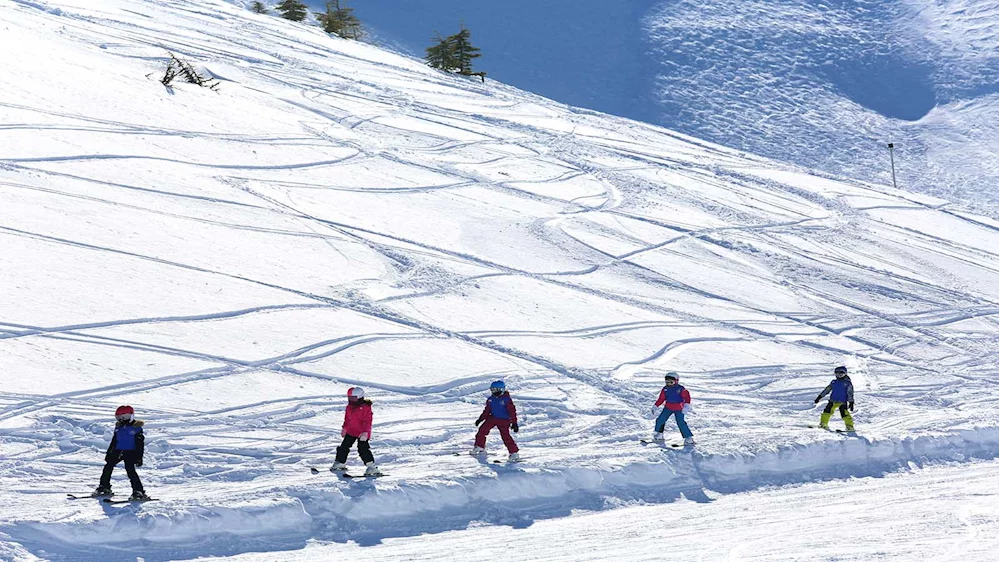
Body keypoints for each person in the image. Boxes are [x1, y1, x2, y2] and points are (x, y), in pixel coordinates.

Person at [95, 405, 149, 500]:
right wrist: (109, 453)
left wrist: (139, 458)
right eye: (119, 417)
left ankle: (138, 491)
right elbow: (114, 441)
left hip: (131, 452)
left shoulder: (136, 428)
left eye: (124, 417)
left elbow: (140, 445)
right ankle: (104, 486)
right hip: (118, 451)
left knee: (130, 470)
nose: (122, 420)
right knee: (108, 466)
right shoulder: (118, 428)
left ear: (131, 416)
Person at [331, 387, 381, 476]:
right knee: (344, 447)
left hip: (362, 433)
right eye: (349, 398)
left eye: (353, 398)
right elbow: (347, 419)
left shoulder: (366, 408)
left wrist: (365, 432)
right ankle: (340, 462)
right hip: (351, 431)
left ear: (360, 397)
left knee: (363, 449)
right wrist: (344, 428)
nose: (351, 400)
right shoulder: (349, 407)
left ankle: (372, 467)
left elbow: (367, 421)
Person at [471, 380, 520, 461]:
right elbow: (487, 410)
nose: (494, 392)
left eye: (496, 390)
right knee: (482, 430)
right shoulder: (491, 399)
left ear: (502, 390)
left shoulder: (506, 400)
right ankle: (479, 447)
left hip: (504, 420)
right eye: (493, 390)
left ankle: (514, 453)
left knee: (505, 436)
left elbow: (512, 412)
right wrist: (481, 419)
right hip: (492, 418)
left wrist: (514, 423)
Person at [651, 372, 695, 445]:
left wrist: (686, 406)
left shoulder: (681, 389)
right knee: (660, 420)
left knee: (680, 422)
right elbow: (661, 398)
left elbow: (687, 397)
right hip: (668, 407)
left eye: (671, 382)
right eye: (667, 382)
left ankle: (688, 438)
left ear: (676, 381)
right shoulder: (665, 389)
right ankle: (659, 434)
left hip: (679, 408)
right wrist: (655, 406)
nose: (669, 384)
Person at [814, 366, 855, 431]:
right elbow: (827, 390)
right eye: (837, 373)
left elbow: (850, 393)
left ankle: (849, 426)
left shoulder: (847, 383)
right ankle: (823, 423)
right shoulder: (834, 382)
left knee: (844, 414)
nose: (839, 375)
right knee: (826, 412)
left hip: (842, 401)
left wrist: (851, 402)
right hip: (832, 401)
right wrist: (819, 397)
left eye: (841, 373)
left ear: (845, 373)